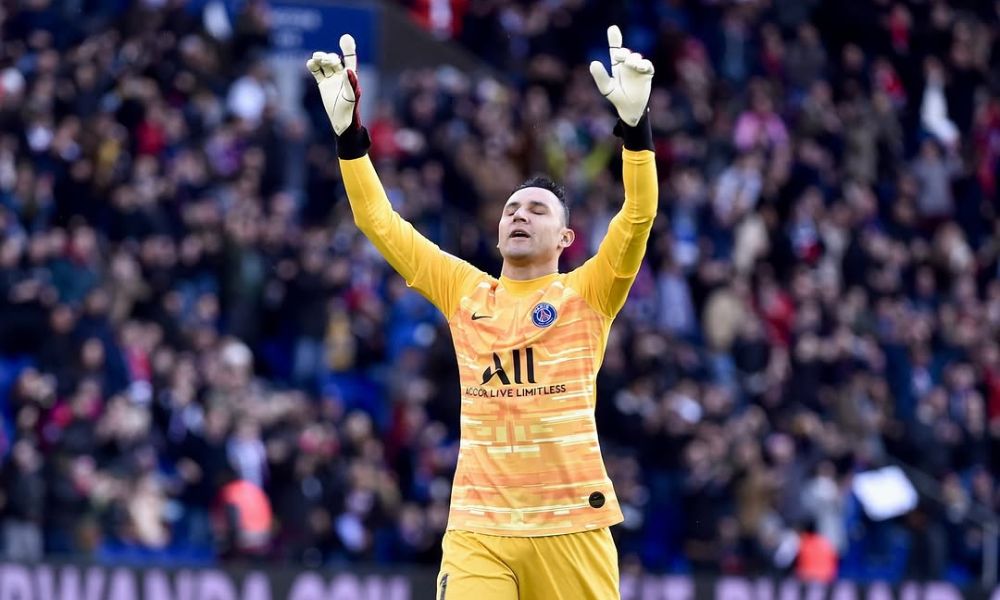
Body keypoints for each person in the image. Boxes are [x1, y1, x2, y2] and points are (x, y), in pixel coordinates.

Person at [307, 25, 656, 599]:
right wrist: (349, 137)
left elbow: (638, 215)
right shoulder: (463, 291)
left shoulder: (588, 294)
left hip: (571, 523)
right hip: (478, 528)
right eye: (512, 208)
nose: (519, 214)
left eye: (537, 209)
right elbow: (380, 222)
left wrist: (636, 133)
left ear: (566, 236)